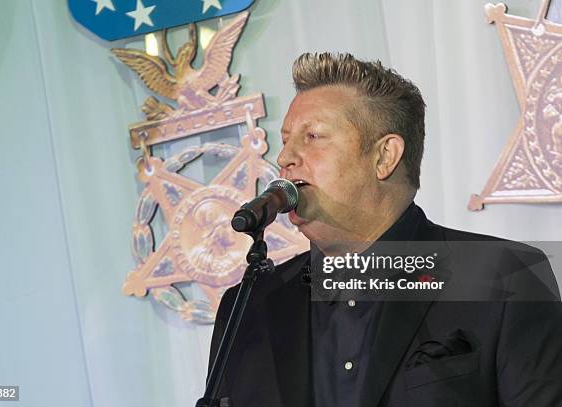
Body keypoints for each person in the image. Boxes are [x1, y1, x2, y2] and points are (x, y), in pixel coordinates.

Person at [207, 53, 562, 407]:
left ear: (384, 157)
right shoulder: (248, 306)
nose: (285, 157)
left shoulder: (506, 278)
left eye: (313, 136)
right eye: (285, 140)